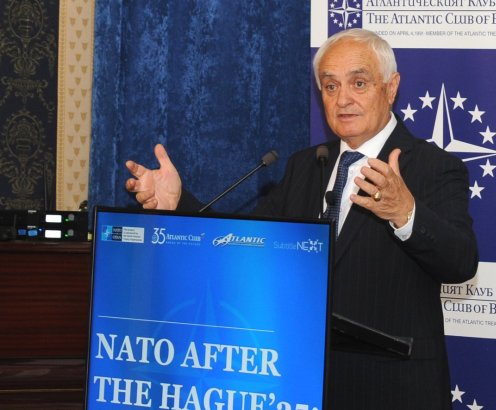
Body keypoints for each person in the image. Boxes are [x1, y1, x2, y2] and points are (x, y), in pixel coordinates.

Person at [126, 28, 478, 409]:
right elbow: (244, 247)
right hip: (301, 384)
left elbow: (461, 262)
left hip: (392, 389)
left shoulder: (433, 167)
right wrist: (178, 202)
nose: (343, 99)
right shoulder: (306, 166)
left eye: (358, 83)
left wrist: (405, 212)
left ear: (390, 88)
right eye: (330, 86)